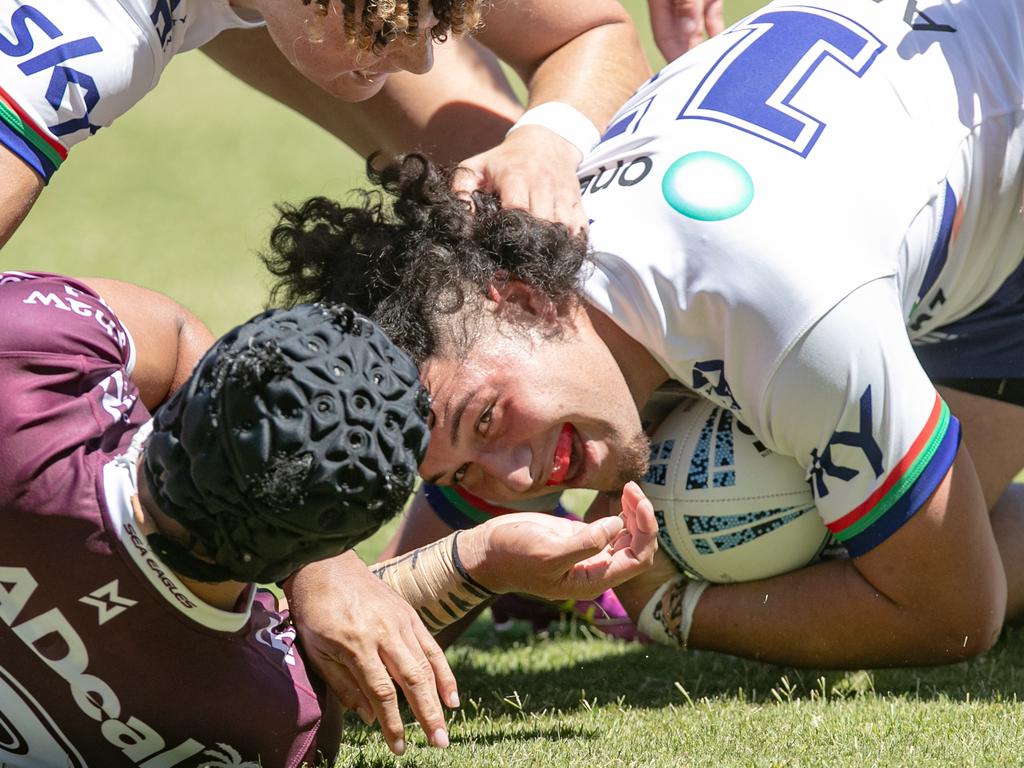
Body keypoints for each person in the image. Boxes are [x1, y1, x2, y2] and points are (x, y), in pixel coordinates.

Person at [260, 0, 1024, 671]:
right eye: (459, 474)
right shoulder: (535, 301)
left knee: (803, 540)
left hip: (1000, 153)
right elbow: (385, 624)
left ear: (523, 300)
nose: (515, 482)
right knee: (789, 517)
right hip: (959, 199)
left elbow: (952, 613)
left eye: (485, 422)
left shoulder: (777, 313)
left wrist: (664, 606)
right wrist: (474, 557)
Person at [0, 270, 656, 763]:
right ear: (336, 546)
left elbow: (170, 332)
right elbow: (333, 659)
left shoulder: (28, 372)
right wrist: (474, 562)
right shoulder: (265, 721)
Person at [0, 0, 662, 247]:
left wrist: (546, 142)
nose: (422, 54)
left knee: (503, 218)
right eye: (384, 23)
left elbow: (591, 31)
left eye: (444, 14)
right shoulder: (90, 33)